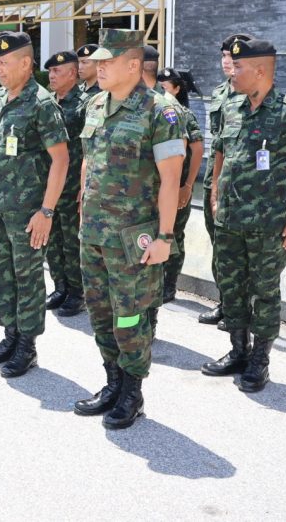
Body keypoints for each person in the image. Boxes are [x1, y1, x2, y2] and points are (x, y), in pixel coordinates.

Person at [73, 29, 184, 430]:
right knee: (101, 312)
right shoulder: (95, 104)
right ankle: (112, 382)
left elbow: (171, 180)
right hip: (94, 234)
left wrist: (165, 237)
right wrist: (82, 215)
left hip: (132, 238)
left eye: (108, 61)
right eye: (98, 61)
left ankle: (132, 391)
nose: (98, 67)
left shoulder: (160, 111)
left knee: (130, 317)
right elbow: (89, 162)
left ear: (134, 65)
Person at [201, 38, 286, 393]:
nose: (232, 72)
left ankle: (260, 360)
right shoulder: (232, 106)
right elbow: (220, 151)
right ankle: (239, 351)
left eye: (238, 67)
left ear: (260, 70)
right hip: (229, 220)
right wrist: (215, 194)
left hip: (268, 226)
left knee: (265, 292)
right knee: (232, 288)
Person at [0, 34, 69, 378]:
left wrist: (46, 211)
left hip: (27, 213)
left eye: (4, 63)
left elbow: (61, 160)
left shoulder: (41, 103)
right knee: (0, 274)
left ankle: (27, 347)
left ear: (26, 63)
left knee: (27, 278)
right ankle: (9, 336)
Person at [199, 33, 254, 327]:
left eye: (232, 57)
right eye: (223, 56)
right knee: (219, 245)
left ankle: (242, 309)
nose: (226, 61)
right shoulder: (219, 93)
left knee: (242, 251)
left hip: (243, 184)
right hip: (215, 177)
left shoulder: (253, 93)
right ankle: (225, 302)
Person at [44, 50, 89, 317]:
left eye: (57, 71)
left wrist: (84, 186)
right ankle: (59, 286)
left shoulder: (84, 104)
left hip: (72, 185)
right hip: (51, 184)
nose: (51, 76)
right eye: (50, 71)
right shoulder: (47, 103)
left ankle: (76, 292)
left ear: (73, 73)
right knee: (53, 239)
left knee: (72, 242)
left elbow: (89, 148)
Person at [156, 68, 205, 305]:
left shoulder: (184, 114)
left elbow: (198, 150)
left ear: (177, 89)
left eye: (165, 86)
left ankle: (169, 284)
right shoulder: (154, 111)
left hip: (177, 187)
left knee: (173, 235)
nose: (161, 90)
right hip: (157, 187)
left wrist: (187, 185)